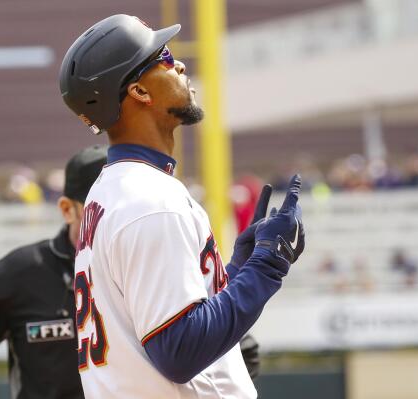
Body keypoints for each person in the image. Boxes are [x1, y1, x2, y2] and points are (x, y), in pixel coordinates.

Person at [59, 14, 305, 398]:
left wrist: (238, 268)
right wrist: (267, 266)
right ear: (139, 91)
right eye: (165, 57)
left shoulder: (111, 191)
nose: (180, 65)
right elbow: (179, 352)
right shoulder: (150, 198)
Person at [0, 145, 108, 399]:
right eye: (99, 209)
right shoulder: (18, 273)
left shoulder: (147, 268)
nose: (113, 219)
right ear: (68, 209)